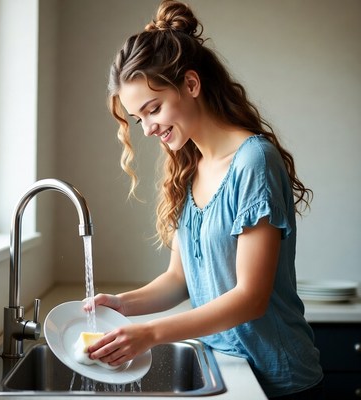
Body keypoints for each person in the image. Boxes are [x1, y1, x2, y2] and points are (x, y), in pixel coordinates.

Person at [85, 1, 324, 398]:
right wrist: (120, 306)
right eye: (138, 118)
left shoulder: (253, 161)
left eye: (153, 109)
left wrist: (150, 333)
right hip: (227, 368)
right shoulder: (189, 168)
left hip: (280, 379)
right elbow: (178, 280)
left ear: (191, 85)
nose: (146, 129)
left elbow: (251, 298)